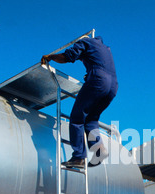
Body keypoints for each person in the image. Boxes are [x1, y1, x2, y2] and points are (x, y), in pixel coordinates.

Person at [41, 35, 118, 168]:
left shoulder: (85, 42)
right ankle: (98, 149)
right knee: (91, 119)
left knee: (77, 118)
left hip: (98, 80)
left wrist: (51, 57)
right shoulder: (105, 48)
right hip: (113, 87)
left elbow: (68, 57)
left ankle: (78, 157)